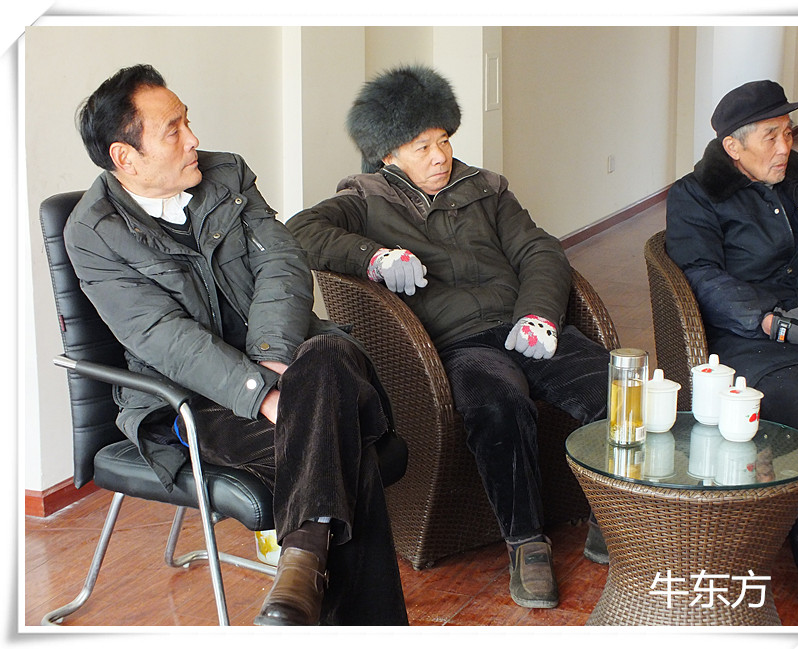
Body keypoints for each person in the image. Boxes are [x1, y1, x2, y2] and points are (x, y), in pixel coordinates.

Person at [64, 63, 409, 626]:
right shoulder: (93, 232)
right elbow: (161, 336)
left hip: (297, 365)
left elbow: (283, 262)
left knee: (328, 357)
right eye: (173, 130)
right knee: (347, 446)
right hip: (193, 401)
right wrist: (261, 393)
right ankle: (324, 577)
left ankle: (301, 564)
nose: (193, 139)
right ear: (126, 157)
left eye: (187, 121)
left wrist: (274, 360)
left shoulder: (227, 174)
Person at [286, 65, 610, 609]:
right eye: (422, 147)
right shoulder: (365, 198)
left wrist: (540, 315)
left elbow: (539, 250)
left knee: (616, 389)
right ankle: (526, 543)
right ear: (389, 155)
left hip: (526, 325)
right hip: (460, 346)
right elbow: (299, 231)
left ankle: (614, 516)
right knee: (499, 406)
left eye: (444, 140)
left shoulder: (486, 189)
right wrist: (373, 257)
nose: (440, 157)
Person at [665, 79, 798, 613]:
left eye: (789, 133)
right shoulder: (695, 196)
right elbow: (700, 275)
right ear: (733, 147)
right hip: (749, 340)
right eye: (771, 137)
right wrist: (768, 320)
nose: (785, 147)